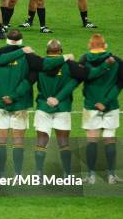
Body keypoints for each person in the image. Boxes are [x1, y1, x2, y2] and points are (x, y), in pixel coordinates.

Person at [0, 29, 72, 177]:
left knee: (0, 141)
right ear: (21, 41)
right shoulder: (29, 57)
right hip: (20, 104)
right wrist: (64, 57)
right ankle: (17, 175)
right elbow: (37, 73)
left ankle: (1, 175)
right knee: (18, 142)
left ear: (6, 40)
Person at [33, 39, 113, 177]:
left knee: (41, 140)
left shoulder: (40, 64)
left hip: (43, 107)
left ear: (47, 51)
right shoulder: (69, 65)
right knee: (63, 142)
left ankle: (38, 173)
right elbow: (89, 74)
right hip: (62, 108)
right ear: (61, 51)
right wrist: (105, 65)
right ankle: (67, 174)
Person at [79, 34, 122, 184]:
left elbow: (82, 77)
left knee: (92, 140)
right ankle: (111, 176)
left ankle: (91, 176)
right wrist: (106, 101)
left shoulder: (84, 59)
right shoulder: (116, 61)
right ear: (105, 45)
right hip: (110, 106)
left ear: (90, 45)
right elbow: (119, 85)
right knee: (110, 139)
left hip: (91, 105)